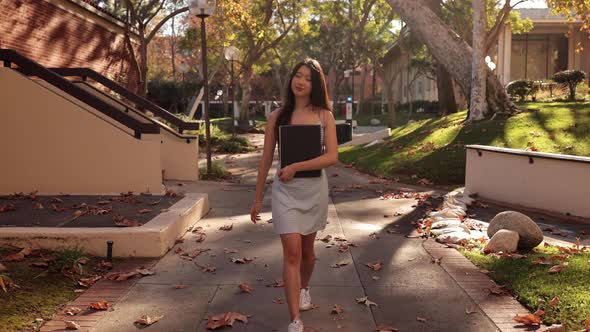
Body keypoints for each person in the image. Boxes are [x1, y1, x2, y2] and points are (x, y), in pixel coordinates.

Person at [250, 58, 338, 332]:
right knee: (292, 253)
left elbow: (332, 157)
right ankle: (295, 320)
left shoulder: (325, 115)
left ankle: (305, 287)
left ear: (316, 84)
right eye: (297, 75)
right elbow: (266, 160)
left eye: (308, 78)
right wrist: (257, 199)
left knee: (308, 253)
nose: (301, 81)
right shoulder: (277, 117)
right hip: (284, 193)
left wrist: (296, 167)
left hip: (313, 192)